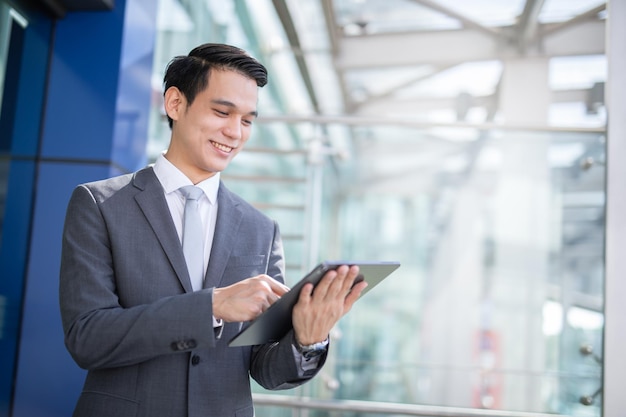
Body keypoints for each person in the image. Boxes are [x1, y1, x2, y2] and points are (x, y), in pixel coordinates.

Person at [59, 43, 367, 417]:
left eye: (248, 120)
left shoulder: (261, 230)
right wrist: (212, 305)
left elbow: (265, 368)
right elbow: (87, 338)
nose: (235, 132)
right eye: (222, 112)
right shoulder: (100, 204)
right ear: (175, 104)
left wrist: (308, 337)